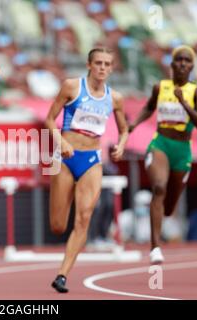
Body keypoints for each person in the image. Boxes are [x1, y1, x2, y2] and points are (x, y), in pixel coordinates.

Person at [44, 47, 129, 293]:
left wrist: (122, 145)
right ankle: (64, 226)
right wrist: (61, 142)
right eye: (99, 63)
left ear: (112, 68)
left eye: (107, 64)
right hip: (66, 158)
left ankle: (62, 275)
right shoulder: (72, 87)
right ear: (89, 65)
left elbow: (124, 129)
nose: (103, 67)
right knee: (58, 225)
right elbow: (50, 119)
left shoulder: (115, 98)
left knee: (83, 219)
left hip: (92, 160)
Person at [128, 45, 197, 264]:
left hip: (182, 151)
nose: (183, 63)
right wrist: (133, 124)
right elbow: (148, 107)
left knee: (170, 206)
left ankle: (162, 217)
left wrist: (184, 102)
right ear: (172, 64)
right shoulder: (160, 87)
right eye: (179, 59)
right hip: (161, 144)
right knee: (158, 187)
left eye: (187, 60)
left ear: (192, 66)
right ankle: (155, 248)